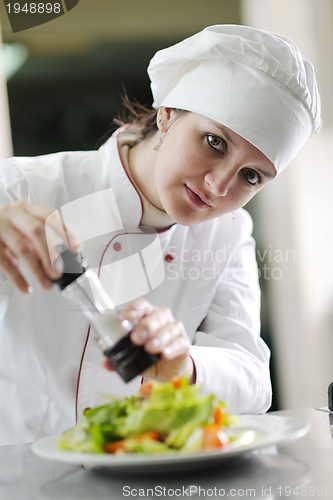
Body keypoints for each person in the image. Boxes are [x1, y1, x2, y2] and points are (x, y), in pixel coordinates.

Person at [0, 25, 321, 446]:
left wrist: (184, 364)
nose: (219, 186)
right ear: (167, 113)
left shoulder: (227, 234)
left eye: (251, 176)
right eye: (214, 142)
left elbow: (253, 379)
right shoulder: (21, 187)